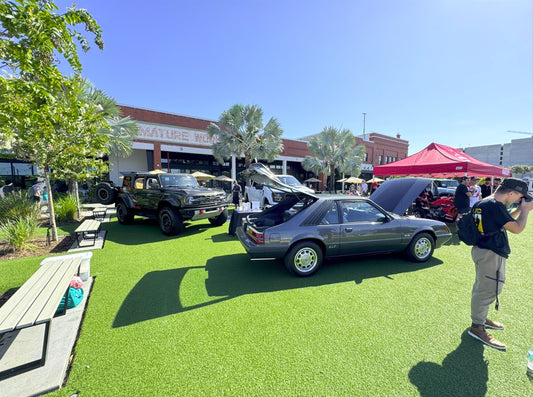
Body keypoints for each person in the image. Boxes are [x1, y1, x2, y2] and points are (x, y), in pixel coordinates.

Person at [467, 178, 533, 350]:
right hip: (491, 253)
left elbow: (504, 221)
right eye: (519, 197)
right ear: (511, 192)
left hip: (482, 249)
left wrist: (519, 208)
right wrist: (525, 211)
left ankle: (481, 318)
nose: (519, 199)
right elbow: (517, 228)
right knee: (488, 289)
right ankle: (477, 327)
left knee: (482, 287)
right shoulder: (495, 206)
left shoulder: (485, 202)